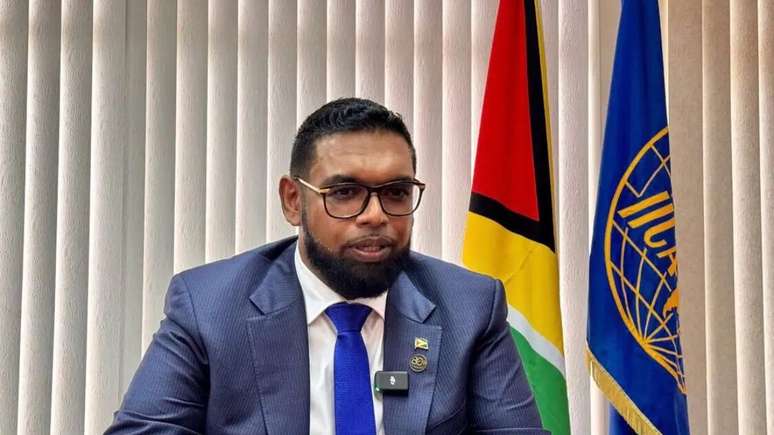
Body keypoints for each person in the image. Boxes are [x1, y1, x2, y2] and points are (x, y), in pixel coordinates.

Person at [106, 98, 546, 434]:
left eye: (396, 192)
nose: (374, 215)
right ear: (293, 201)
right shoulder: (210, 306)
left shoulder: (469, 307)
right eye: (345, 193)